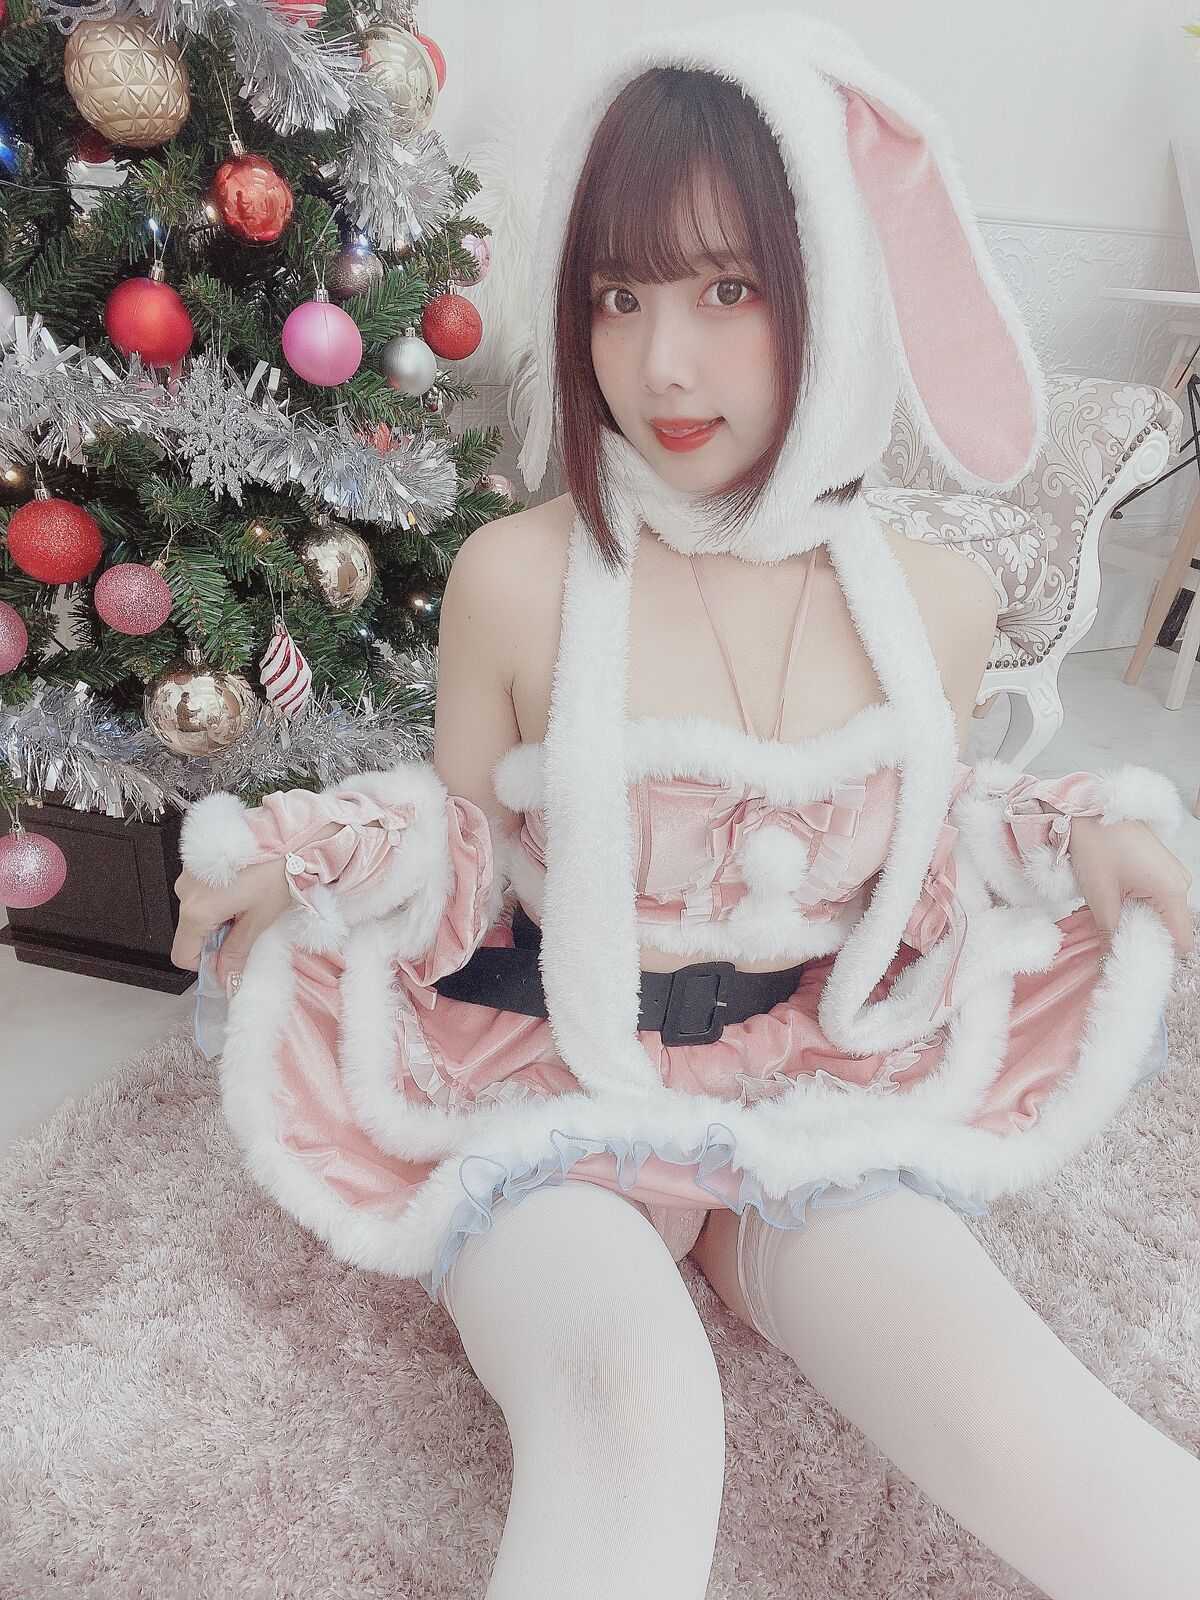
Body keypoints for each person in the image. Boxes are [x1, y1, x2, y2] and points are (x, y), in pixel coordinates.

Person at [172, 14, 1199, 1599]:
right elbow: (466, 851)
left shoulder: (932, 602)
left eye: (728, 290)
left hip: (800, 1080)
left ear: (832, 293)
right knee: (636, 1416)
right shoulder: (518, 574)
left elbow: (930, 840)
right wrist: (304, 859)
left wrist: (1084, 833)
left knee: (1018, 1404)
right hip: (542, 1081)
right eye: (618, 295)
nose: (661, 364)